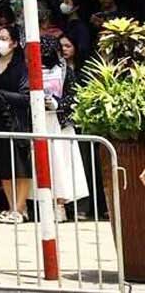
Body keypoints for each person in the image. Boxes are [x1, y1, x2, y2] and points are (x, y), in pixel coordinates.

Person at [41, 34, 89, 222]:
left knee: (61, 165)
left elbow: (74, 96)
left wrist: (56, 104)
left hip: (58, 123)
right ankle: (44, 205)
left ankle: (60, 205)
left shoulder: (64, 71)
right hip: (40, 121)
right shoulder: (32, 70)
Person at [0, 23, 31, 224]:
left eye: (5, 39)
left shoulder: (21, 67)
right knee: (3, 166)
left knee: (20, 166)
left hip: (16, 121)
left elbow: (25, 96)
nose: (0, 42)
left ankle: (20, 208)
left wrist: (1, 95)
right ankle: (11, 205)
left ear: (14, 43)